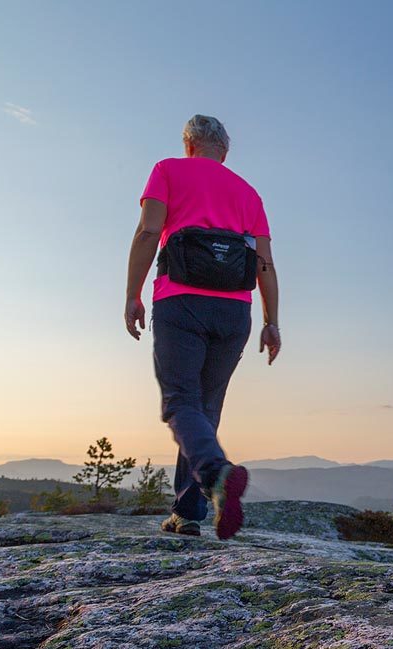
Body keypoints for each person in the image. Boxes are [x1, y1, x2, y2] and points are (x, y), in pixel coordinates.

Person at [123, 115, 280, 539]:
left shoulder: (168, 170)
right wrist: (272, 322)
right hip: (234, 313)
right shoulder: (248, 192)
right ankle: (187, 514)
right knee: (204, 409)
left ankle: (215, 474)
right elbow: (263, 263)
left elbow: (148, 233)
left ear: (189, 144)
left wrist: (132, 295)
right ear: (224, 152)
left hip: (180, 300)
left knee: (180, 404)